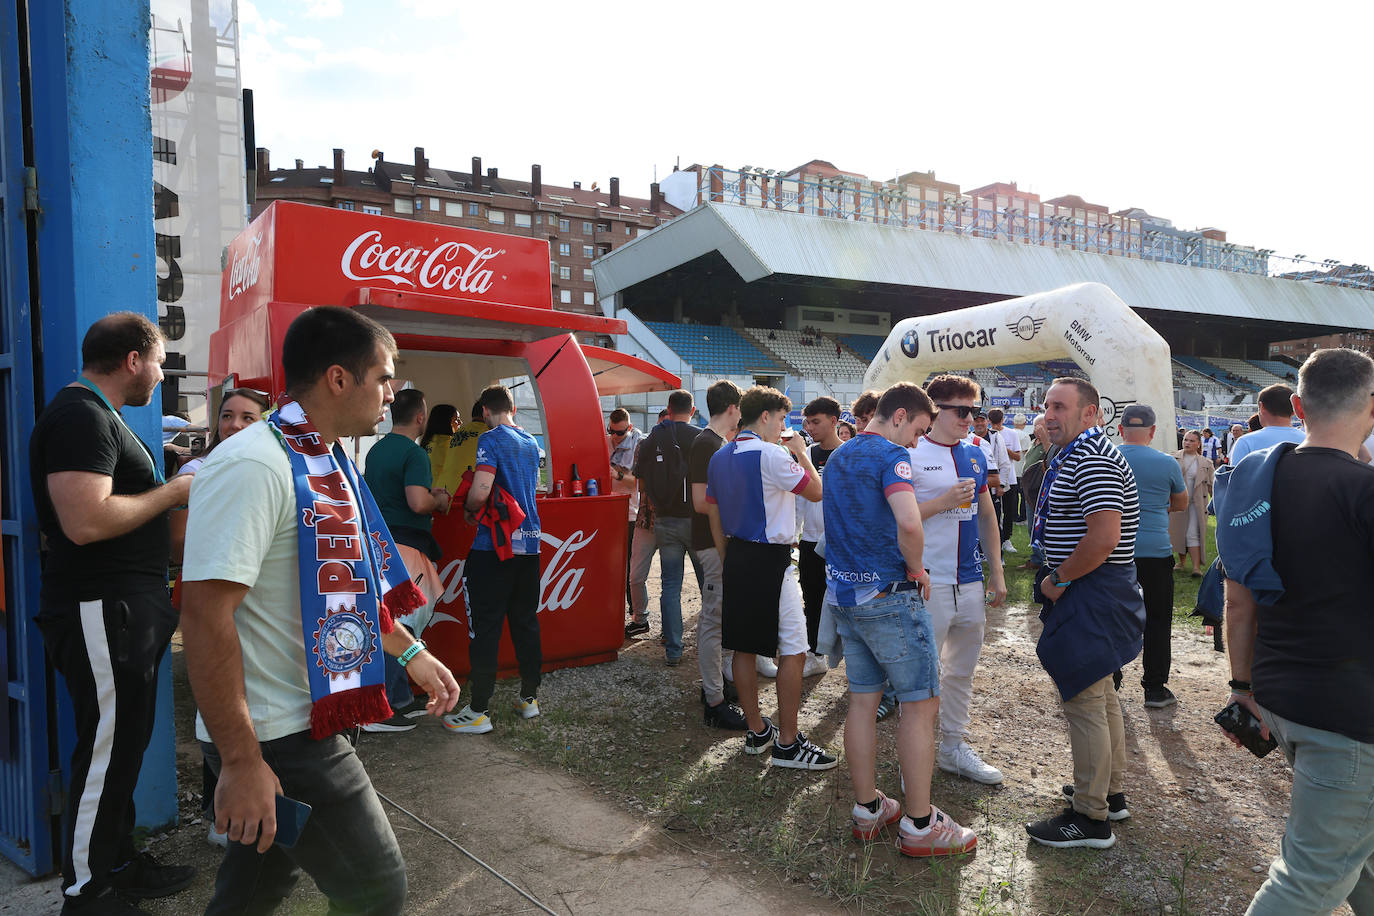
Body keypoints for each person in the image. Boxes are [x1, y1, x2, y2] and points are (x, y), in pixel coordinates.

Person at [181, 306, 459, 914]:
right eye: (384, 378)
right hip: (280, 733)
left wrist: (410, 651)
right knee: (376, 886)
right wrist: (240, 759)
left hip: (298, 720)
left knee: (257, 886)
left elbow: (346, 590)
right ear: (339, 378)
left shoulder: (326, 457)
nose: (393, 394)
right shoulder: (256, 463)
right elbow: (203, 618)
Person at [29, 312, 198, 913]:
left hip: (123, 612)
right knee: (106, 752)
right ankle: (86, 890)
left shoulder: (101, 419)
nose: (159, 373)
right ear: (133, 359)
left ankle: (118, 861)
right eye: (157, 361)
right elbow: (86, 520)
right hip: (100, 612)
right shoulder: (80, 416)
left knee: (123, 744)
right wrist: (174, 492)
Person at [1221, 348, 1374, 914]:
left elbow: (1238, 601)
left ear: (1300, 406)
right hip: (1350, 718)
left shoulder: (1257, 479)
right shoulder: (1364, 489)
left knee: (1358, 856)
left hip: (1281, 697)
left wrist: (1242, 685)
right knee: (1309, 881)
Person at [823, 382, 978, 857]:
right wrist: (916, 568)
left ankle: (868, 809)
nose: (916, 440)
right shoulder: (892, 458)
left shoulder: (838, 456)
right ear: (899, 416)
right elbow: (910, 523)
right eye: (917, 430)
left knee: (863, 702)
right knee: (919, 705)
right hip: (890, 595)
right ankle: (919, 823)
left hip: (846, 595)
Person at [1025, 377, 1143, 850]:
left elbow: (1102, 538)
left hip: (1090, 587)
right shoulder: (1080, 452)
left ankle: (1091, 817)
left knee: (1086, 700)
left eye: (1061, 406)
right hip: (1097, 588)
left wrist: (1059, 580)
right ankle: (1108, 794)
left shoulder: (1091, 456)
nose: (1050, 414)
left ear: (1091, 413)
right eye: (1047, 405)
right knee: (1101, 696)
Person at [706, 386, 835, 770]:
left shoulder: (721, 454)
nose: (785, 426)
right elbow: (817, 491)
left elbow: (712, 512)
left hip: (737, 553)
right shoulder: (773, 454)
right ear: (765, 416)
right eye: (781, 419)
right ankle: (788, 744)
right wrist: (800, 451)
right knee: (793, 649)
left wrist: (727, 555)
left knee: (744, 647)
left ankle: (758, 729)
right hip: (771, 557)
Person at [910, 375, 1007, 785]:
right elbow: (895, 519)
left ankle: (952, 747)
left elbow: (986, 515)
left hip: (968, 580)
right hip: (926, 580)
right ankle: (916, 755)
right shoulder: (909, 453)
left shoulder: (975, 454)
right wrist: (943, 502)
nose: (971, 418)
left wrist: (997, 571)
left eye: (975, 411)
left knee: (961, 671)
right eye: (961, 411)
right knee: (921, 675)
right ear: (935, 411)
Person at [444, 384, 544, 733]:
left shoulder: (490, 439)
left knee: (485, 628)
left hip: (494, 547)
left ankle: (478, 711)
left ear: (485, 410)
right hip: (530, 544)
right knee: (526, 623)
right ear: (513, 408)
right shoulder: (532, 442)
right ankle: (529, 699)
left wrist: (471, 508)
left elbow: (481, 490)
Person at [362, 388, 452, 732]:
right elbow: (417, 503)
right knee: (402, 626)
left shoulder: (377, 449)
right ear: (420, 417)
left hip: (381, 544)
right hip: (408, 547)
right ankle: (381, 711)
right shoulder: (415, 455)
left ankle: (397, 699)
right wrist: (439, 500)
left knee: (388, 621)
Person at [1116, 406, 1188, 709]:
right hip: (1155, 551)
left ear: (1120, 430)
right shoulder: (1166, 462)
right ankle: (1155, 689)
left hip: (1115, 551)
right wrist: (1158, 507)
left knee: (1113, 618)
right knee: (1158, 621)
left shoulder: (1108, 457)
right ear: (1153, 431)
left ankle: (1110, 681)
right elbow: (1181, 503)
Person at [688, 381, 746, 729]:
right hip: (711, 543)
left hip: (719, 540)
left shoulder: (715, 442)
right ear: (732, 408)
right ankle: (714, 700)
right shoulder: (706, 443)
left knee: (720, 618)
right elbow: (699, 502)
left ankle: (718, 686)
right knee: (712, 620)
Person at [635, 391, 702, 666]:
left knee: (670, 585)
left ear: (668, 409)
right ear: (693, 410)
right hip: (697, 521)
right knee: (708, 585)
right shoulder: (702, 437)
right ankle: (711, 646)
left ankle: (673, 650)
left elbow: (640, 483)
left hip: (664, 520)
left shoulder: (652, 439)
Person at [796, 396, 843, 678]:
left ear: (834, 421)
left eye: (816, 422)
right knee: (812, 597)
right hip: (811, 540)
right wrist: (795, 530)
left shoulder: (849, 452)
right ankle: (815, 654)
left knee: (846, 601)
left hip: (841, 542)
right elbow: (800, 498)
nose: (810, 427)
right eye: (808, 422)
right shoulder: (808, 454)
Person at [626, 408, 669, 635]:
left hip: (668, 520)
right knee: (636, 575)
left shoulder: (678, 446)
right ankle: (640, 618)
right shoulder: (645, 445)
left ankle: (668, 628)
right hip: (647, 518)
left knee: (669, 580)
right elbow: (639, 484)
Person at [606, 408, 645, 633]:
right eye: (611, 430)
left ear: (629, 429)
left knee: (631, 567)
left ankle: (636, 615)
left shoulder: (638, 444)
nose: (614, 436)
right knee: (611, 565)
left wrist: (618, 475)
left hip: (630, 512)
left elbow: (639, 482)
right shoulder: (604, 440)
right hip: (607, 511)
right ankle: (611, 611)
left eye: (619, 433)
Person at [1228, 384, 1305, 467]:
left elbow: (1236, 478)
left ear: (1261, 407)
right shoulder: (1307, 439)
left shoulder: (1246, 442)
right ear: (1294, 409)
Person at [1170, 431, 1214, 576]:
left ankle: (1196, 567)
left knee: (1193, 532)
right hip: (1177, 502)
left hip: (1197, 504)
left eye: (1191, 441)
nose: (1187, 443)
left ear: (1198, 443)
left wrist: (1215, 504)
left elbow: (1212, 486)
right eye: (1185, 440)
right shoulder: (1172, 458)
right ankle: (1181, 562)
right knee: (1179, 532)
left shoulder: (1206, 463)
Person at [970, 410, 1009, 551]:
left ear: (987, 422)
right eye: (977, 420)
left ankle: (997, 553)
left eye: (982, 420)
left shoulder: (996, 437)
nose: (979, 423)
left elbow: (1004, 462)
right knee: (974, 521)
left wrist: (1001, 485)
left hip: (992, 486)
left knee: (994, 520)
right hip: (974, 488)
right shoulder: (967, 438)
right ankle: (979, 550)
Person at [432, 399, 488, 495]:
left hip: (441, 490)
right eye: (456, 419)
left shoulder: (457, 433)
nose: (460, 422)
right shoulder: (488, 433)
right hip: (460, 493)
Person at [987, 408, 1022, 553]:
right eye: (992, 423)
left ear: (1003, 420)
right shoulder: (986, 435)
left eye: (997, 423)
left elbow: (1018, 457)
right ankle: (992, 540)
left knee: (1008, 511)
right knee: (992, 511)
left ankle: (1007, 539)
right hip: (991, 478)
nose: (995, 426)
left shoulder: (1011, 434)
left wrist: (1002, 448)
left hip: (1010, 479)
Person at [418, 403, 459, 480]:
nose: (460, 423)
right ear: (446, 421)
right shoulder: (450, 443)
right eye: (457, 419)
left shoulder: (428, 442)